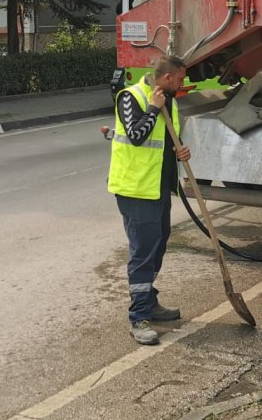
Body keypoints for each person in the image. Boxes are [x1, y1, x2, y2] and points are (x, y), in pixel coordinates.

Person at [108, 56, 192, 345]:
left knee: (157, 247)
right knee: (143, 252)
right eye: (180, 79)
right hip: (135, 189)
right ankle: (139, 317)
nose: (182, 85)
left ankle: (149, 300)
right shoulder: (131, 97)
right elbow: (136, 136)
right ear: (167, 77)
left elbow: (166, 142)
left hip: (158, 188)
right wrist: (155, 110)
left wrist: (180, 151)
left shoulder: (170, 101)